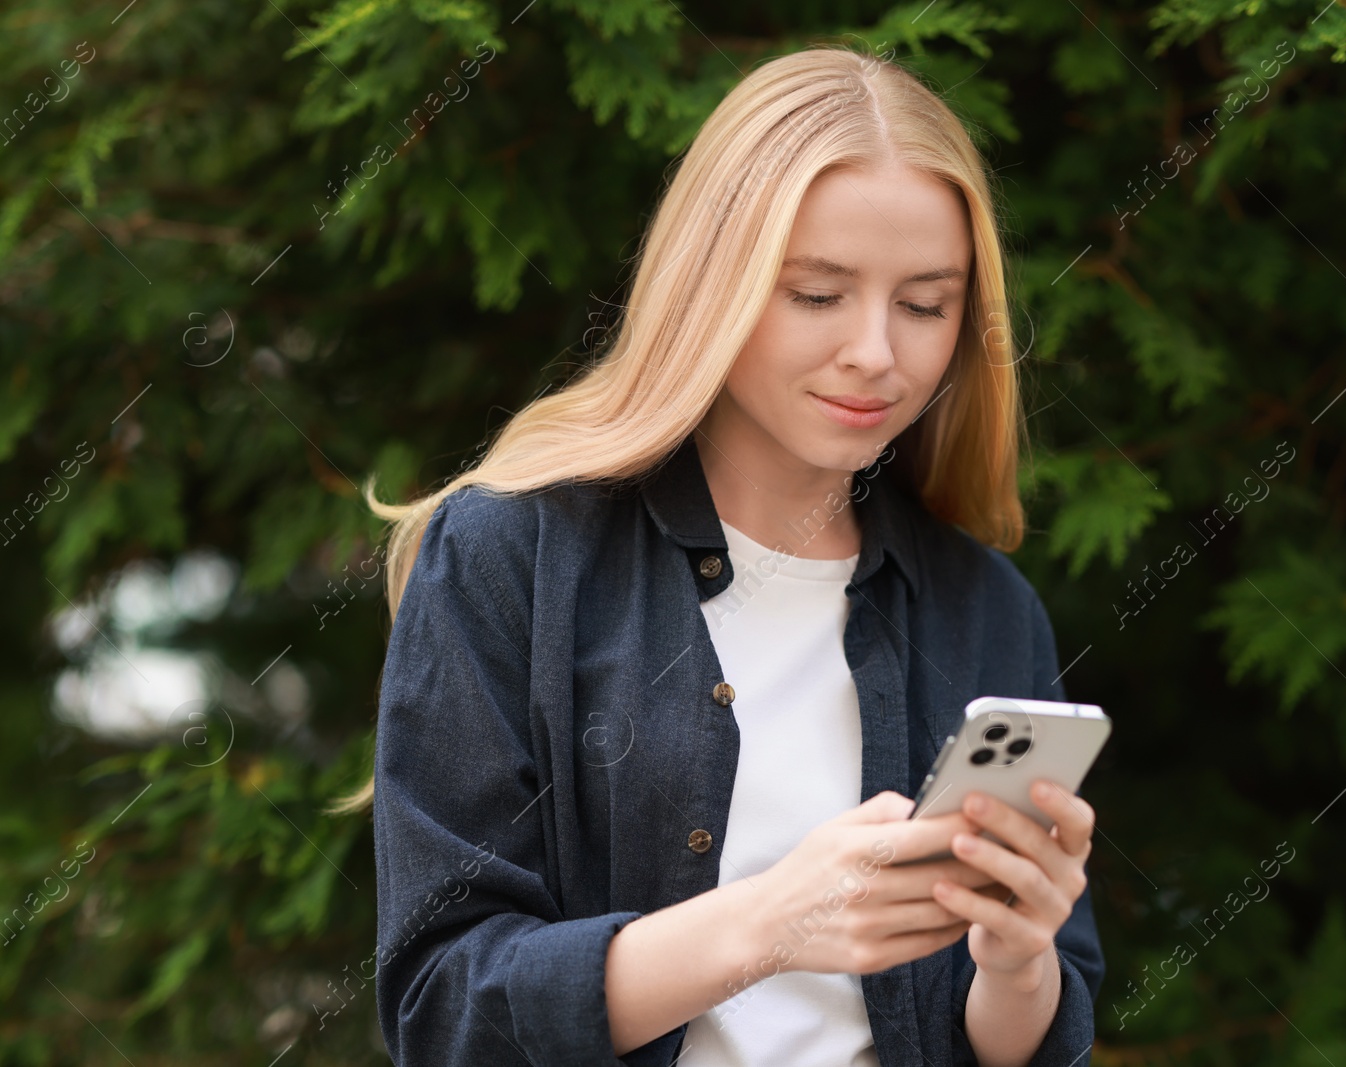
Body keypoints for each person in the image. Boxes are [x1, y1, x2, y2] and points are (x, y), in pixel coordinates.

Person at [346, 44, 1105, 1067]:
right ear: (715, 283)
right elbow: (443, 1009)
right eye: (817, 293)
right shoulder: (509, 555)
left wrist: (1019, 964)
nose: (877, 352)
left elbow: (1024, 1037)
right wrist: (766, 922)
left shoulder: (986, 607)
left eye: (925, 304)